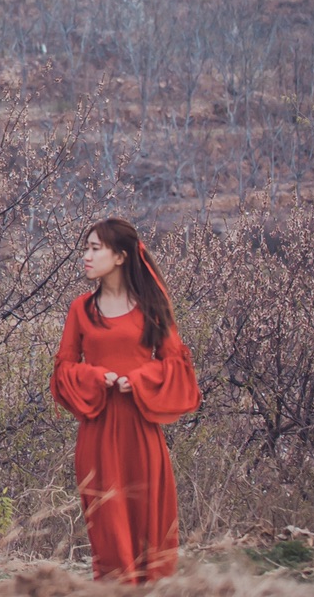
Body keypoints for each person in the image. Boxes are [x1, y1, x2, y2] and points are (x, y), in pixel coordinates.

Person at [50, 218, 201, 583]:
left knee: (148, 519)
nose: (85, 256)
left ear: (119, 256)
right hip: (98, 432)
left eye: (94, 248)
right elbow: (62, 372)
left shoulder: (153, 305)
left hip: (140, 430)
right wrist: (97, 377)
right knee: (107, 520)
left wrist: (138, 379)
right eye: (85, 248)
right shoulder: (80, 310)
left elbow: (177, 368)